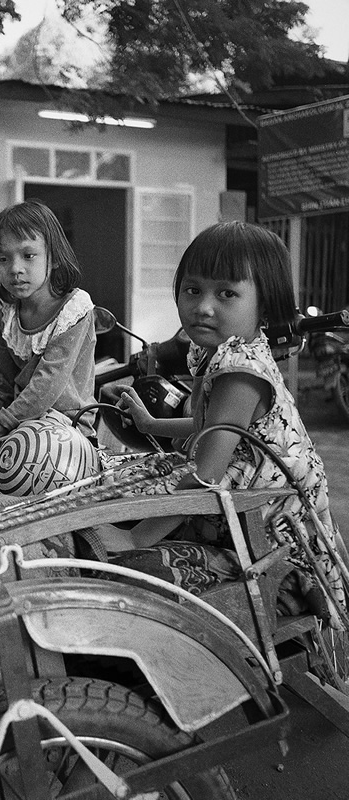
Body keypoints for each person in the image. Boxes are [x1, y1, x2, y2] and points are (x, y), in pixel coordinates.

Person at [100, 222, 344, 620]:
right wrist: (149, 424)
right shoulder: (217, 352)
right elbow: (206, 426)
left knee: (130, 530)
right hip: (242, 508)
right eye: (193, 290)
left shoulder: (240, 372)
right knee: (132, 483)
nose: (203, 306)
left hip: (271, 538)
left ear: (265, 305)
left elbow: (205, 475)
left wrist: (133, 537)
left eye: (226, 293)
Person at [0, 199, 99, 487]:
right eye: (3, 259)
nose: (15, 269)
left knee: (9, 466)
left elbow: (44, 389)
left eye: (28, 255)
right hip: (17, 427)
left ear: (55, 256)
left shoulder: (74, 309)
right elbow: (1, 389)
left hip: (66, 431)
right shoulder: (5, 321)